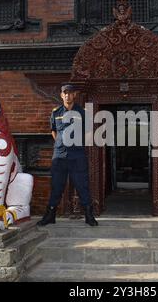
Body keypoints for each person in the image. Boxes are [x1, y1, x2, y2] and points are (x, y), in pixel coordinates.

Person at [37, 84, 98, 227]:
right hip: (59, 156)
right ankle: (50, 215)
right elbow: (54, 131)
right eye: (65, 93)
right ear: (61, 95)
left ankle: (89, 216)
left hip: (77, 155)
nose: (67, 96)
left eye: (70, 93)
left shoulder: (82, 113)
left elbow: (88, 132)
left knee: (82, 185)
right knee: (57, 186)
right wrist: (61, 143)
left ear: (74, 95)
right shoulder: (56, 112)